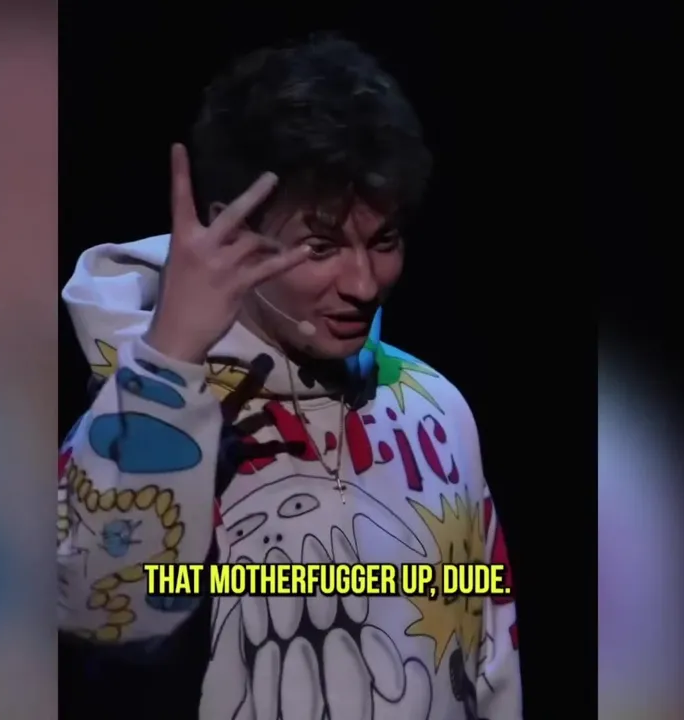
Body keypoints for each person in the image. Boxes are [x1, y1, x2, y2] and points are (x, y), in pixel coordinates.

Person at [58, 35, 521, 720]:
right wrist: (171, 358)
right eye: (322, 246)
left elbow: (489, 660)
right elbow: (101, 616)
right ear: (233, 233)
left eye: (384, 241)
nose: (364, 284)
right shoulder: (136, 409)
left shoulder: (436, 407)